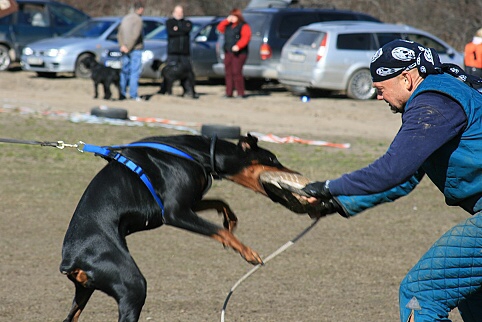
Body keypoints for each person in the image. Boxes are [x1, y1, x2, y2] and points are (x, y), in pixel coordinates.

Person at [301, 39, 482, 322]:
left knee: (421, 294)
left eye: (381, 88)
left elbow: (391, 170)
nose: (378, 96)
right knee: (472, 298)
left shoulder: (433, 103)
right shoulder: (442, 95)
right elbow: (405, 177)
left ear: (407, 78)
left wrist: (328, 186)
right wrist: (337, 203)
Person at [164, 5, 198, 99]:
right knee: (169, 72)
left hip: (185, 53)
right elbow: (171, 32)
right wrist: (181, 30)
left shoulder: (187, 22)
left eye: (181, 12)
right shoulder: (169, 22)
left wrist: (179, 29)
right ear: (174, 12)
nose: (179, 14)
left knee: (188, 73)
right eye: (178, 12)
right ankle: (166, 90)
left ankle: (189, 90)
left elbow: (187, 29)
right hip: (173, 52)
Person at [217, 8, 251, 99]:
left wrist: (238, 46)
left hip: (239, 53)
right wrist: (226, 21)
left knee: (236, 72)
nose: (232, 18)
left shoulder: (244, 26)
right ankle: (229, 92)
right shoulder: (228, 26)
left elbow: (246, 38)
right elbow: (219, 28)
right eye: (231, 16)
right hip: (228, 51)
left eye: (234, 16)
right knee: (228, 72)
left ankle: (240, 92)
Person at [117, 0, 144, 101]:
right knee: (134, 72)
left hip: (124, 48)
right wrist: (129, 47)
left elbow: (119, 33)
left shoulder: (126, 18)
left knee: (124, 71)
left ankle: (122, 92)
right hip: (134, 49)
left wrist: (122, 45)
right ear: (140, 9)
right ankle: (133, 94)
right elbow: (135, 35)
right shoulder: (138, 20)